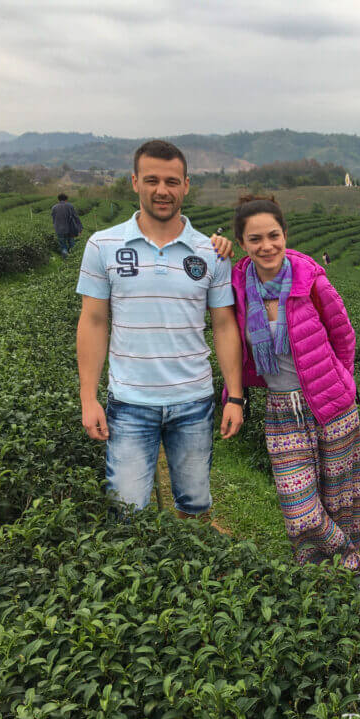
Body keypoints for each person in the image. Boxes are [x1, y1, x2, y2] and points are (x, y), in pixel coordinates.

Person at [76, 139, 243, 522]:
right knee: (127, 510)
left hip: (194, 400)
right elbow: (93, 321)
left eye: (171, 181)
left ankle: (194, 579)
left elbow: (223, 324)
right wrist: (89, 398)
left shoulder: (211, 253)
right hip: (130, 401)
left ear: (186, 185)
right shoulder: (103, 245)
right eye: (152, 180)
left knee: (195, 506)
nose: (162, 190)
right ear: (134, 182)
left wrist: (235, 396)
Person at [223, 196, 360, 576]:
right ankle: (351, 566)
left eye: (273, 235)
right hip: (281, 410)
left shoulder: (311, 279)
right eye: (255, 239)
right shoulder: (237, 285)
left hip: (332, 407)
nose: (266, 246)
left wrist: (340, 383)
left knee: (340, 505)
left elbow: (344, 337)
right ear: (242, 244)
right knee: (301, 510)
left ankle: (335, 591)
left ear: (286, 234)